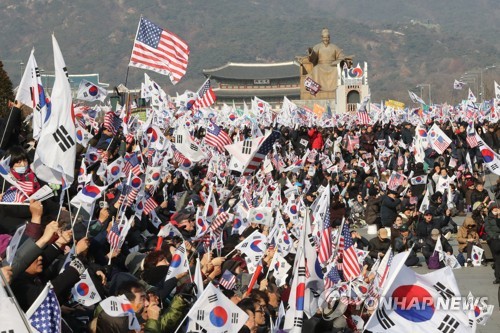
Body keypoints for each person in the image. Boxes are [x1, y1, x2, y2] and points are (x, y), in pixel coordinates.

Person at [306, 28, 346, 95]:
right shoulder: (317, 46)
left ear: (329, 38)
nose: (326, 39)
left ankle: (336, 87)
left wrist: (337, 62)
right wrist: (311, 52)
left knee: (337, 70)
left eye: (327, 37)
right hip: (320, 65)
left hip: (332, 66)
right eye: (324, 37)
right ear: (322, 38)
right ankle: (317, 88)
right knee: (316, 69)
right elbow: (313, 56)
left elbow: (341, 55)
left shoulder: (334, 47)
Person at [485, 203, 500, 284]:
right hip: (493, 240)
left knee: (498, 260)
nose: (496, 209)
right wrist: (495, 236)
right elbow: (487, 229)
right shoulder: (488, 218)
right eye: (494, 208)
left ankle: (498, 275)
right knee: (497, 258)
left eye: (497, 208)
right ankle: (498, 277)